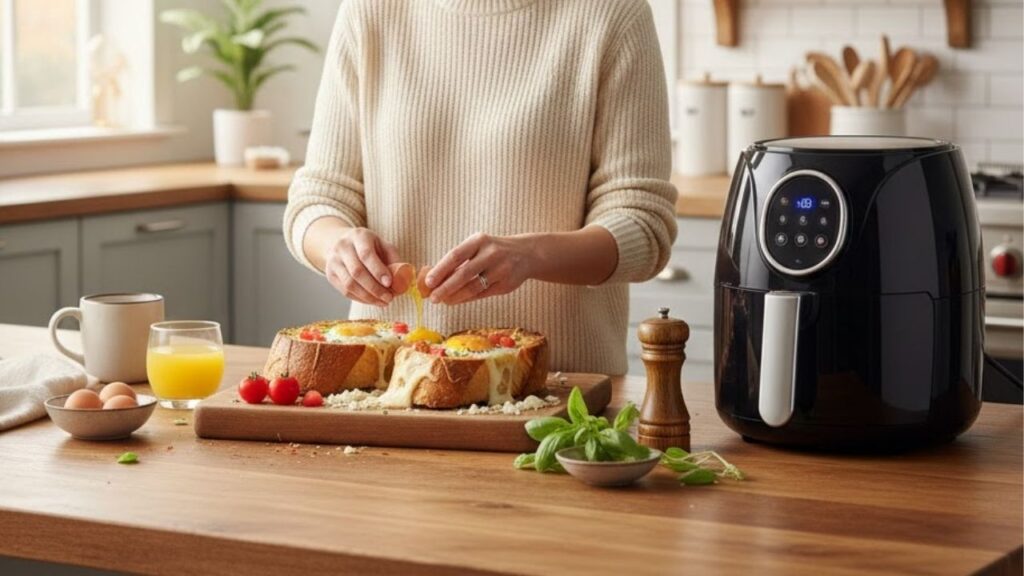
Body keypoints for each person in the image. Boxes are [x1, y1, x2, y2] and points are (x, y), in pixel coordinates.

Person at [284, 0, 677, 376]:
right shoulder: (368, 12)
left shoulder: (614, 15)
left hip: (558, 393)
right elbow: (318, 198)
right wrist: (337, 246)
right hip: (386, 385)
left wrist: (531, 255)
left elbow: (644, 227)